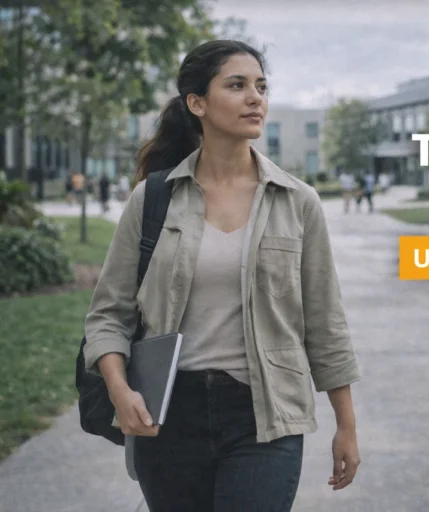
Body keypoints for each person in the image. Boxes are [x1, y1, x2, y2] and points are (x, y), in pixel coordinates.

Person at [82, 40, 362, 512]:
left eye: (261, 86)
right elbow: (107, 314)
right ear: (198, 104)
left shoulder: (297, 203)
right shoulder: (153, 200)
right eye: (236, 85)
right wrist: (119, 389)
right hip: (169, 414)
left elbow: (326, 322)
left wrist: (347, 427)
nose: (255, 98)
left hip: (265, 413)